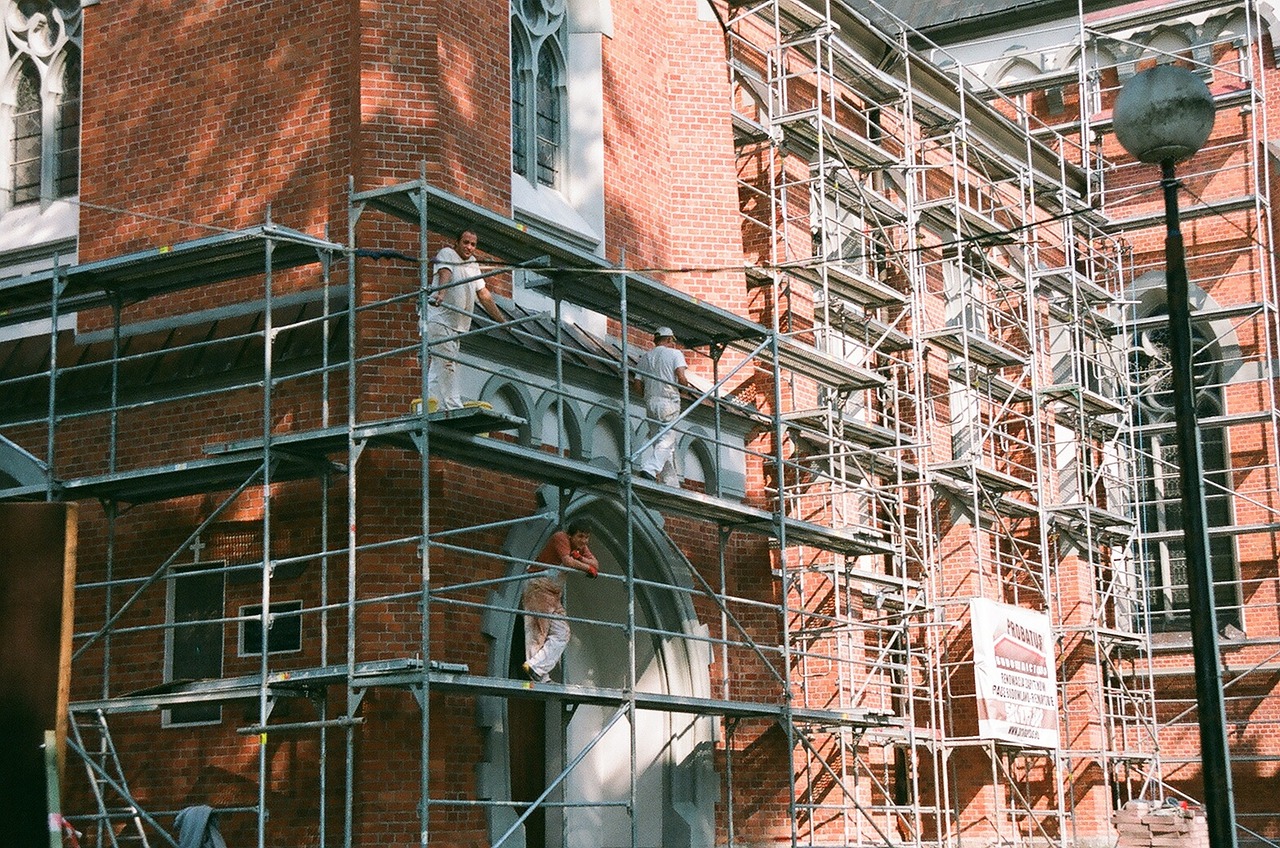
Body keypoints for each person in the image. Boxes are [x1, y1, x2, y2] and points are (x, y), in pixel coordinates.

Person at [424, 228, 504, 410]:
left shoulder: (473, 264)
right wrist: (440, 293)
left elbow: (483, 294)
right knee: (447, 364)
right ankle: (453, 406)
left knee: (438, 366)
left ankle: (431, 404)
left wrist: (501, 320)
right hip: (440, 320)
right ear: (457, 242)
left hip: (457, 326)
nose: (469, 247)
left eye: (473, 244)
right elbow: (445, 273)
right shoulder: (447, 253)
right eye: (466, 242)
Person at [521, 523, 599, 683]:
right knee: (538, 631)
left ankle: (536, 667)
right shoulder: (560, 538)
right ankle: (537, 676)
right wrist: (587, 568)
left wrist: (580, 558)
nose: (584, 541)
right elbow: (567, 561)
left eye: (586, 537)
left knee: (562, 633)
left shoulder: (580, 546)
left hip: (554, 593)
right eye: (580, 536)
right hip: (539, 586)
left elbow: (595, 564)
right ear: (570, 535)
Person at [631, 326, 691, 485]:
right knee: (667, 441)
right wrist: (684, 390)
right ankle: (650, 469)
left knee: (661, 443)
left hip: (651, 402)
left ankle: (670, 482)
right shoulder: (675, 354)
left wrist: (648, 396)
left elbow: (637, 385)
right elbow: (681, 376)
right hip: (668, 401)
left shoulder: (645, 358)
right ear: (670, 339)